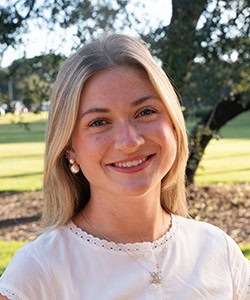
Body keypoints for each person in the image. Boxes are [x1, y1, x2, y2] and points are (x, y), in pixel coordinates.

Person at [0, 33, 249, 300]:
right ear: (69, 147)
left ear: (174, 124)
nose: (129, 141)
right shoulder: (37, 275)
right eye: (98, 122)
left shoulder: (217, 251)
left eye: (145, 112)